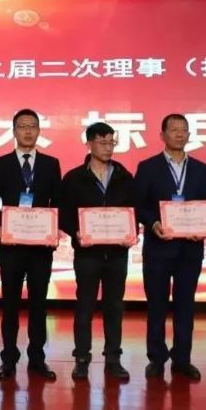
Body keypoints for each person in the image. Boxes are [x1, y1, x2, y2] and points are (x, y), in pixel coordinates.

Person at [134, 114, 206, 380]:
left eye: (184, 130)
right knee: (156, 305)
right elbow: (139, 204)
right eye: (174, 129)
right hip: (159, 247)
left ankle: (182, 359)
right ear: (162, 135)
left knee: (185, 305)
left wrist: (203, 228)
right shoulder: (148, 167)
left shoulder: (201, 169)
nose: (180, 134)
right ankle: (156, 358)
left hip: (190, 249)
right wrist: (153, 222)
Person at [0, 108, 61, 380]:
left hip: (41, 247)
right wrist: (2, 227)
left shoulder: (51, 164)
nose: (27, 131)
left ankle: (37, 358)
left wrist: (52, 230)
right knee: (10, 304)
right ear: (14, 131)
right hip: (11, 247)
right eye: (22, 126)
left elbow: (58, 202)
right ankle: (8, 358)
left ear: (39, 131)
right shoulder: (0, 163)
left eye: (32, 126)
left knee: (39, 304)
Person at [59, 122, 135, 381]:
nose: (108, 147)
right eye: (102, 142)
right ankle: (82, 358)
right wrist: (76, 232)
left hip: (117, 254)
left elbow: (133, 211)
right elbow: (64, 214)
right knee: (85, 306)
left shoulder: (124, 176)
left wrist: (131, 231)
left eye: (111, 142)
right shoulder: (73, 178)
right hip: (87, 254)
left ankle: (113, 358)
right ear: (89, 144)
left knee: (115, 306)